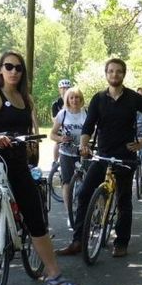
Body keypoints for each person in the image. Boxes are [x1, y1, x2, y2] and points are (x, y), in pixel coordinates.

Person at [0, 52, 78, 285]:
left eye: (18, 68)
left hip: (19, 162)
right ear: (0, 70)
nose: (13, 71)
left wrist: (33, 147)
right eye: (8, 66)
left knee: (34, 215)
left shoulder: (25, 98)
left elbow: (31, 128)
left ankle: (54, 275)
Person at [56, 58, 142, 258]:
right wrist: (84, 145)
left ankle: (121, 242)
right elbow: (88, 126)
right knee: (84, 192)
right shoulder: (98, 98)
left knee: (124, 200)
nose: (114, 75)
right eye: (111, 71)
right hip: (102, 155)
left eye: (118, 71)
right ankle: (78, 241)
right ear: (106, 74)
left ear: (124, 74)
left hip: (125, 157)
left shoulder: (133, 98)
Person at [51, 86, 87, 227]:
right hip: (67, 152)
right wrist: (61, 139)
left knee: (86, 182)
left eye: (77, 97)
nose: (74, 100)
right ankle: (69, 213)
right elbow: (52, 134)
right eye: (71, 97)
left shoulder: (87, 113)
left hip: (84, 152)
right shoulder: (62, 114)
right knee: (67, 183)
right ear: (67, 99)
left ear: (81, 99)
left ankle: (85, 212)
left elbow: (95, 131)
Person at [50, 78, 72, 172]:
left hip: (72, 125)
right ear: (59, 89)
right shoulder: (56, 104)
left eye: (67, 88)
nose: (65, 90)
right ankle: (55, 161)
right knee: (58, 141)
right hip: (60, 126)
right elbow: (54, 118)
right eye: (62, 88)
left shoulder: (73, 100)